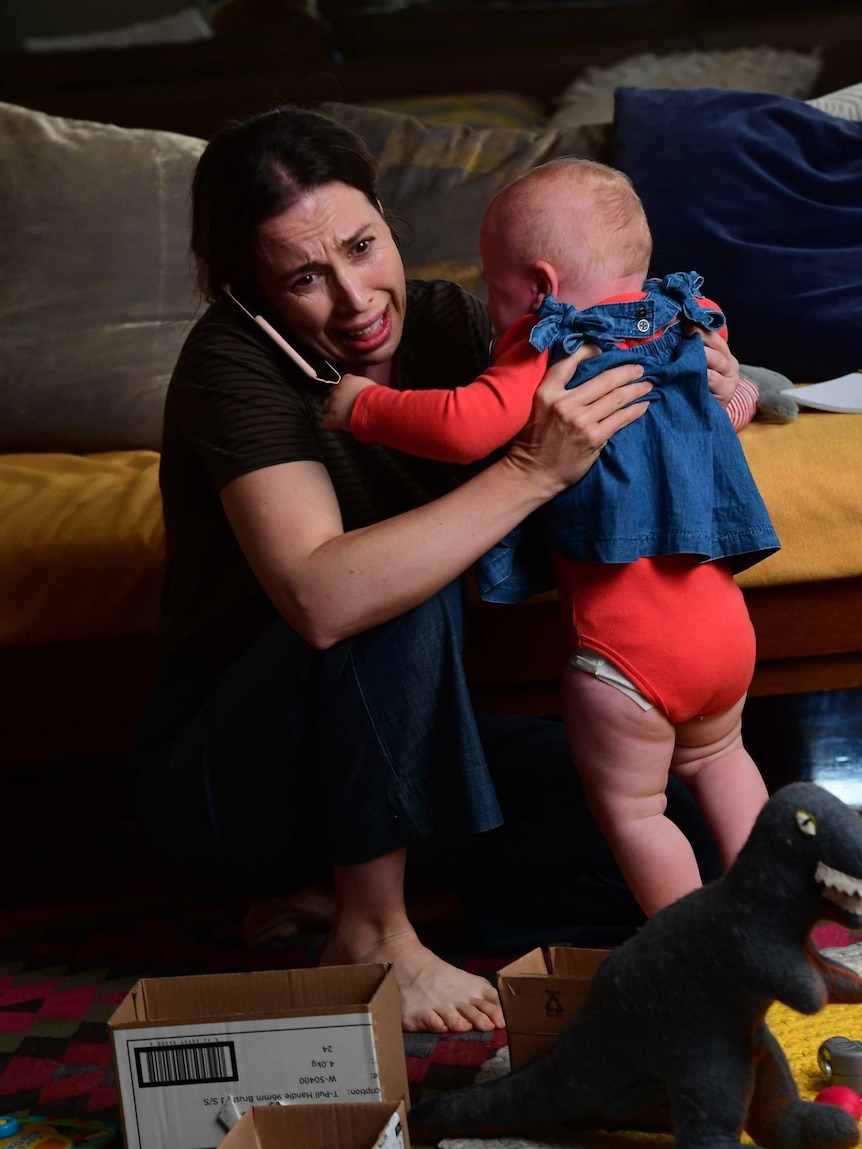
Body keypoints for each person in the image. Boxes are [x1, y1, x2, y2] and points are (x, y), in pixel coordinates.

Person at [126, 109, 742, 1035]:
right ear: (249, 292)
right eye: (304, 278)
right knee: (384, 570)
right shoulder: (232, 364)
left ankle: (377, 898)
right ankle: (374, 934)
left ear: (386, 217)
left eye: (363, 247)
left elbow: (614, 339)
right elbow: (323, 600)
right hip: (247, 767)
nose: (357, 299)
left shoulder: (458, 321)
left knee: (670, 838)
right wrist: (533, 470)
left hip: (394, 743)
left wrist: (691, 370)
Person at [324, 158, 779, 916]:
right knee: (725, 760)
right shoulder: (690, 324)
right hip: (724, 634)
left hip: (626, 658)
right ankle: (779, 917)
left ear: (537, 285)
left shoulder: (551, 347)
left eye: (489, 281)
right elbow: (722, 426)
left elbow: (466, 428)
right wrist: (741, 389)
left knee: (638, 814)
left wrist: (363, 406)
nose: (487, 300)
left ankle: (696, 953)